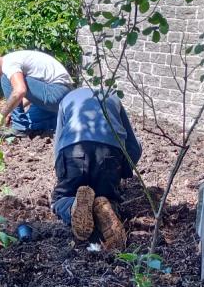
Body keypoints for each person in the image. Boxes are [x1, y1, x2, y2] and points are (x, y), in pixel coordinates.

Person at [50, 87, 142, 251]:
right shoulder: (112, 97)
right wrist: (123, 171)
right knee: (108, 197)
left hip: (73, 149)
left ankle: (72, 205)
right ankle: (105, 206)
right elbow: (133, 147)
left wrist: (62, 173)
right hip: (110, 151)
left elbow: (58, 144)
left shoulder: (66, 100)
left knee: (61, 198)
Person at [0, 50, 74, 137]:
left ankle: (19, 127)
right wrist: (10, 110)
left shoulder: (9, 66)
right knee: (31, 123)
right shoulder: (10, 59)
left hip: (56, 92)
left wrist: (1, 114)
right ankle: (60, 119)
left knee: (5, 78)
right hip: (61, 97)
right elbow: (33, 92)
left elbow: (20, 90)